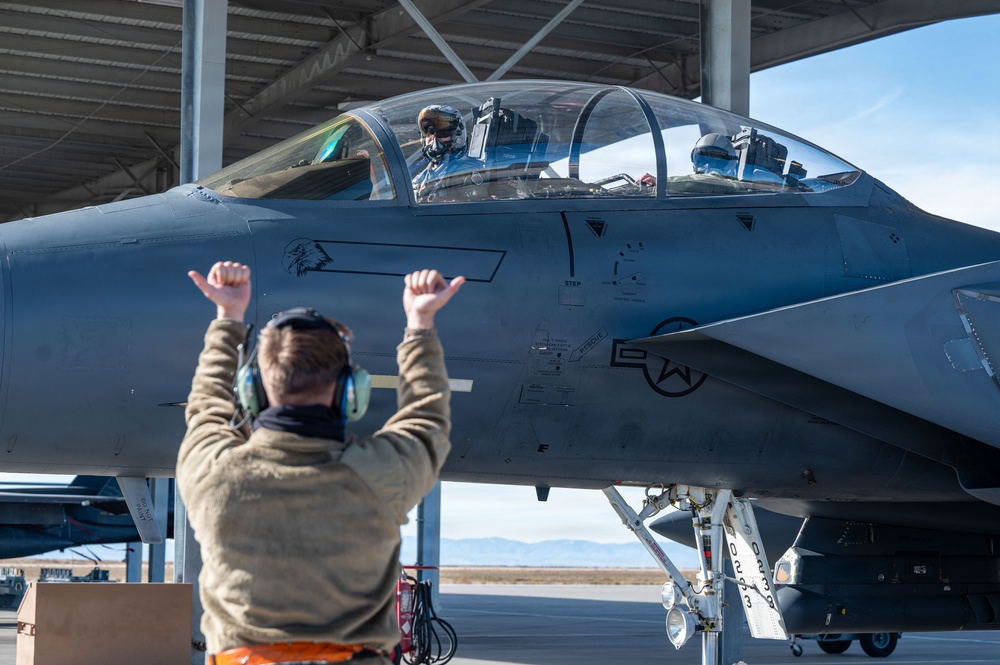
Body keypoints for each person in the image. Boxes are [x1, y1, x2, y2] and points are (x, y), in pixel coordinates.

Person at [179, 260, 464, 665]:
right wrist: (420, 323)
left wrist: (228, 317)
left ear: (252, 393)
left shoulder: (213, 471)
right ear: (350, 392)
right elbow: (427, 417)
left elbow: (206, 407)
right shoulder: (377, 475)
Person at [411, 104, 472, 202]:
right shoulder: (422, 174)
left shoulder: (467, 171)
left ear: (457, 136)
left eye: (442, 132)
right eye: (430, 132)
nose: (434, 138)